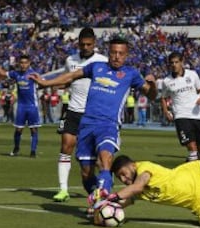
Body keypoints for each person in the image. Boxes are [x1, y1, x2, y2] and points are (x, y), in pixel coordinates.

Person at [29, 37, 157, 201]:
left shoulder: (131, 74)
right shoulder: (96, 67)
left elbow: (151, 95)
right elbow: (71, 76)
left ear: (126, 55)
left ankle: (105, 203)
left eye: (121, 53)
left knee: (105, 159)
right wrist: (46, 83)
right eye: (113, 53)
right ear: (108, 53)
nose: (117, 56)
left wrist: (152, 85)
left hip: (108, 124)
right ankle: (98, 199)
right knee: (86, 174)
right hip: (87, 125)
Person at [52, 27, 109, 202]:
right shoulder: (71, 60)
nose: (85, 47)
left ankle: (102, 190)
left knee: (99, 159)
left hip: (94, 114)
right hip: (73, 111)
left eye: (88, 44)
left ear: (94, 44)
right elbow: (68, 79)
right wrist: (57, 86)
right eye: (82, 44)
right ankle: (63, 189)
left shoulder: (103, 61)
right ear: (78, 43)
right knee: (66, 146)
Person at [0, 53, 40, 158]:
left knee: (33, 129)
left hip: (32, 106)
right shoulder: (16, 74)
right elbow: (2, 73)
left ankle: (33, 151)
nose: (23, 65)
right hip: (21, 106)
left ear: (29, 63)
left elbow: (43, 83)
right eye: (21, 63)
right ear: (19, 63)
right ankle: (16, 148)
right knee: (18, 129)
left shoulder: (34, 74)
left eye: (25, 63)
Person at [161, 52, 200, 162]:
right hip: (181, 115)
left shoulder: (192, 75)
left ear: (182, 62)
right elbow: (163, 97)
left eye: (176, 62)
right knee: (192, 148)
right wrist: (166, 111)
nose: (174, 65)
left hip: (196, 115)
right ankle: (192, 163)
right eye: (171, 63)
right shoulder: (166, 81)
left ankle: (194, 158)